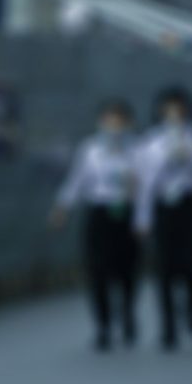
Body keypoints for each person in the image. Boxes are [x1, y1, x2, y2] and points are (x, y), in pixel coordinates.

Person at [52, 98, 143, 351]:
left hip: (126, 214)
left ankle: (127, 316)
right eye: (109, 120)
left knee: (127, 271)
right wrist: (63, 207)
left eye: (119, 121)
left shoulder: (137, 150)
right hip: (99, 214)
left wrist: (143, 218)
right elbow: (76, 181)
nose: (114, 126)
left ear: (128, 123)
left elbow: (145, 187)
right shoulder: (90, 149)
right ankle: (103, 325)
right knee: (98, 271)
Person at [134, 86, 192, 351]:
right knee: (165, 268)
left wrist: (189, 155)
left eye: (179, 108)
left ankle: (191, 310)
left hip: (189, 206)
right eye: (169, 109)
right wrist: (142, 219)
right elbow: (145, 184)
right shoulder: (150, 143)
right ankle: (168, 326)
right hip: (164, 207)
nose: (175, 114)